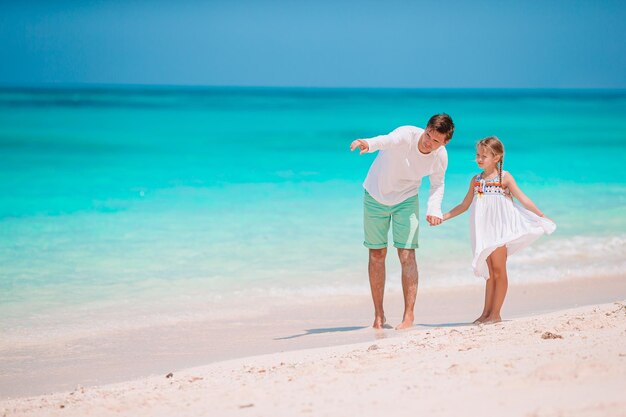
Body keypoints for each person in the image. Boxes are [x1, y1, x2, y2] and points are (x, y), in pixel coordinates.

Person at [350, 114, 455, 330]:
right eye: (428, 135)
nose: (429, 142)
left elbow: (437, 185)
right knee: (377, 254)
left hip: (406, 199)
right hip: (375, 194)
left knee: (407, 254)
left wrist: (433, 209)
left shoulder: (440, 157)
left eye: (436, 141)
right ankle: (379, 315)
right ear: (425, 129)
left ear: (445, 142)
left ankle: (409, 316)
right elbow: (387, 140)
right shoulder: (406, 134)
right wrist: (367, 143)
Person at [442, 136, 556, 324]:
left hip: (501, 229)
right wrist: (444, 217)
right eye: (477, 155)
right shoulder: (476, 180)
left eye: (484, 156)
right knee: (489, 272)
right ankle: (486, 313)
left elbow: (523, 199)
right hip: (484, 231)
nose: (479, 159)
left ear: (497, 157)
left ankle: (496, 314)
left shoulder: (505, 177)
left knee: (498, 270)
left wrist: (541, 216)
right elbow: (464, 205)